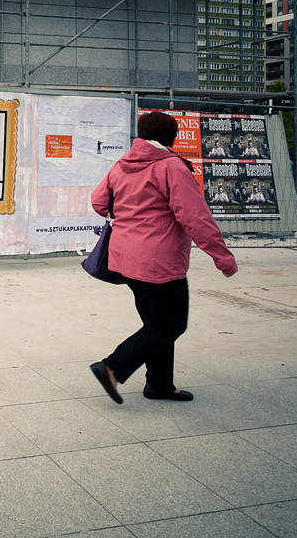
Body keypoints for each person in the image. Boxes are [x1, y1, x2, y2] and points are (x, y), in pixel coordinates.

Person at [89, 111, 237, 404]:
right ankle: (112, 368)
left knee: (156, 323)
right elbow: (195, 217)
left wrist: (124, 213)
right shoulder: (170, 166)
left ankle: (159, 385)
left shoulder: (123, 165)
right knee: (169, 324)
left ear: (141, 135)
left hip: (125, 260)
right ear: (172, 137)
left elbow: (98, 201)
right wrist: (222, 257)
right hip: (159, 263)